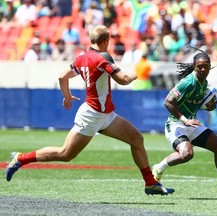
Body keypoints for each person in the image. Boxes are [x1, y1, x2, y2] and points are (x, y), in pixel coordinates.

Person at [5, 25, 174, 196]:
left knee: (136, 139)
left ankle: (150, 183)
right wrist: (135, 74)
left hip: (105, 114)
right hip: (92, 115)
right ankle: (20, 158)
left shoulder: (83, 57)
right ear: (105, 41)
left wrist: (67, 96)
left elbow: (62, 76)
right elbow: (123, 80)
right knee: (65, 154)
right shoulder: (102, 58)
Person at [152, 48, 217, 195]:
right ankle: (159, 167)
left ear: (210, 66)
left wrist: (209, 107)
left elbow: (195, 104)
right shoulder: (188, 82)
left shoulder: (203, 83)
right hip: (176, 124)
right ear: (194, 66)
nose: (203, 69)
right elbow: (168, 102)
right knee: (187, 155)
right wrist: (184, 120)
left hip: (191, 124)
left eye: (206, 66)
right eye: (199, 66)